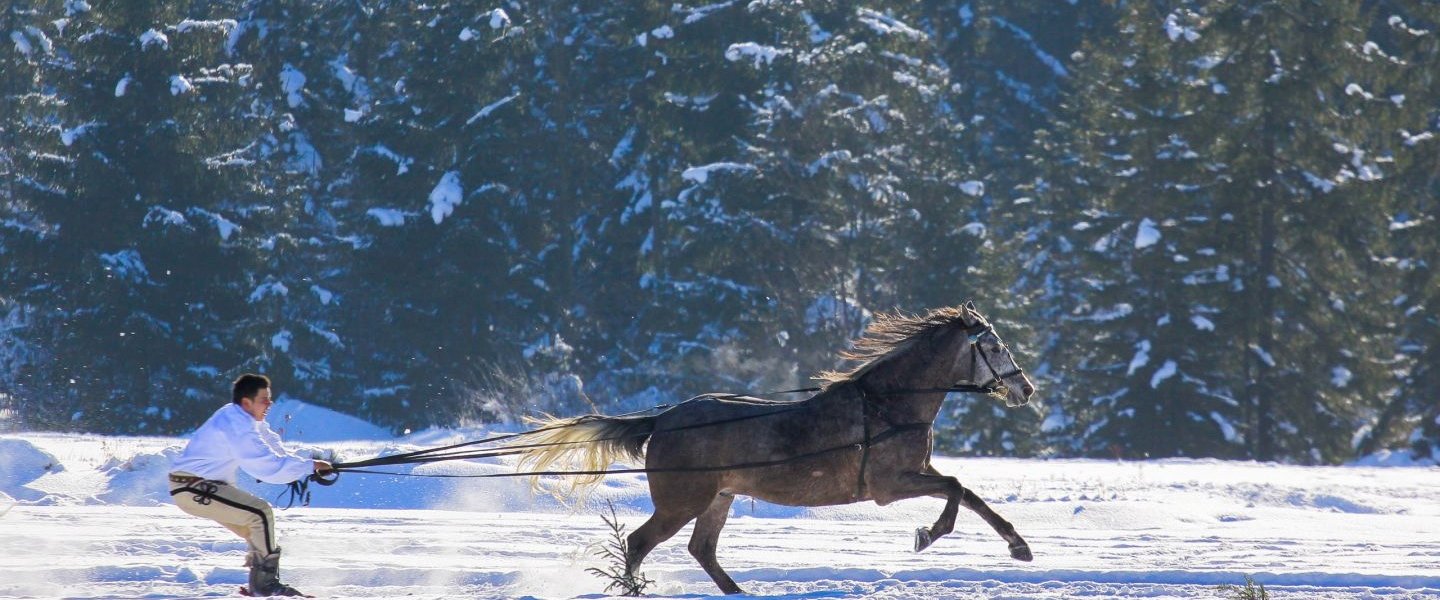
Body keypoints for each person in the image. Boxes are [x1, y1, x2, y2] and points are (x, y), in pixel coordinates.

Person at [168, 373, 332, 597]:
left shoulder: (245, 420)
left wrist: (308, 466)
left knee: (256, 529)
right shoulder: (236, 423)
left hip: (197, 487)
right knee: (260, 514)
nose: (270, 404)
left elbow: (276, 452)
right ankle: (264, 586)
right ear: (247, 402)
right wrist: (308, 467)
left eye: (270, 399)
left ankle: (259, 585)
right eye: (264, 399)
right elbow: (265, 465)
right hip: (192, 486)